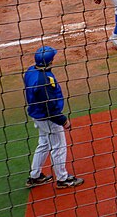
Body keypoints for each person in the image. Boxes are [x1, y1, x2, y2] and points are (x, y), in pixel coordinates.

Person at [24, 46, 84, 189]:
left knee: (44, 143)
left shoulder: (30, 71)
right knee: (59, 147)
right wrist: (63, 120)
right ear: (50, 60)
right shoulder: (44, 81)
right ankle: (62, 179)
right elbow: (49, 107)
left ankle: (35, 176)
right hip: (48, 118)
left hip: (37, 115)